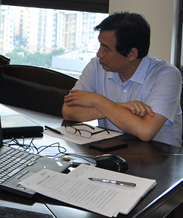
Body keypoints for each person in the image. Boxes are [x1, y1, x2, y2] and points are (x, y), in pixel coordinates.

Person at [62, 12, 182, 147]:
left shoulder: (166, 75)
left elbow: (146, 131)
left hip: (159, 156)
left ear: (131, 54)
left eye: (106, 49)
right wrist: (122, 106)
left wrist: (98, 100)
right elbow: (68, 111)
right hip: (110, 151)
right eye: (100, 44)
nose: (99, 54)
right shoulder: (97, 66)